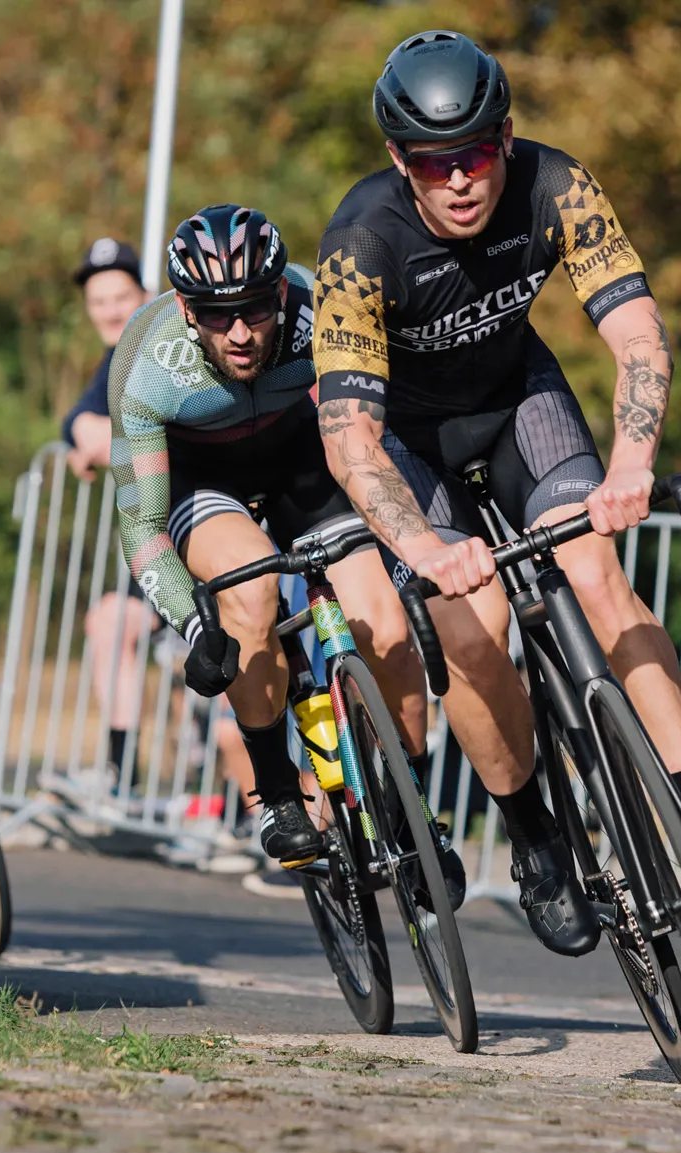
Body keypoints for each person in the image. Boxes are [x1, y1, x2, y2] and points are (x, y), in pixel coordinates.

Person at [311, 30, 681, 955]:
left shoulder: (557, 184)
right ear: (401, 161)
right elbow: (350, 440)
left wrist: (633, 462)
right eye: (435, 164)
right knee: (471, 628)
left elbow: (639, 335)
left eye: (478, 152)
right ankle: (537, 842)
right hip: (410, 441)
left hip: (520, 400)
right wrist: (424, 550)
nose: (462, 180)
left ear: (508, 137)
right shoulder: (361, 245)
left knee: (598, 577)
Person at [111, 203, 453, 895]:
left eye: (257, 309)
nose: (239, 333)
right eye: (214, 314)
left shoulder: (316, 311)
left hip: (302, 462)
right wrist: (194, 625)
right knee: (249, 592)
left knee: (386, 629)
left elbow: (367, 424)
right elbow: (142, 528)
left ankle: (409, 803)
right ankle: (276, 790)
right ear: (185, 307)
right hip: (205, 483)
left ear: (283, 294)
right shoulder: (147, 363)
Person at [62, 238, 162, 785]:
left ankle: (249, 807)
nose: (109, 310)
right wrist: (87, 436)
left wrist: (102, 440)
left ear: (144, 294)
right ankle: (122, 773)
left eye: (120, 297)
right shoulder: (115, 357)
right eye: (98, 301)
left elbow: (121, 430)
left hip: (203, 538)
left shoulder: (156, 346)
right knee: (106, 622)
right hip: (160, 545)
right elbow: (78, 418)